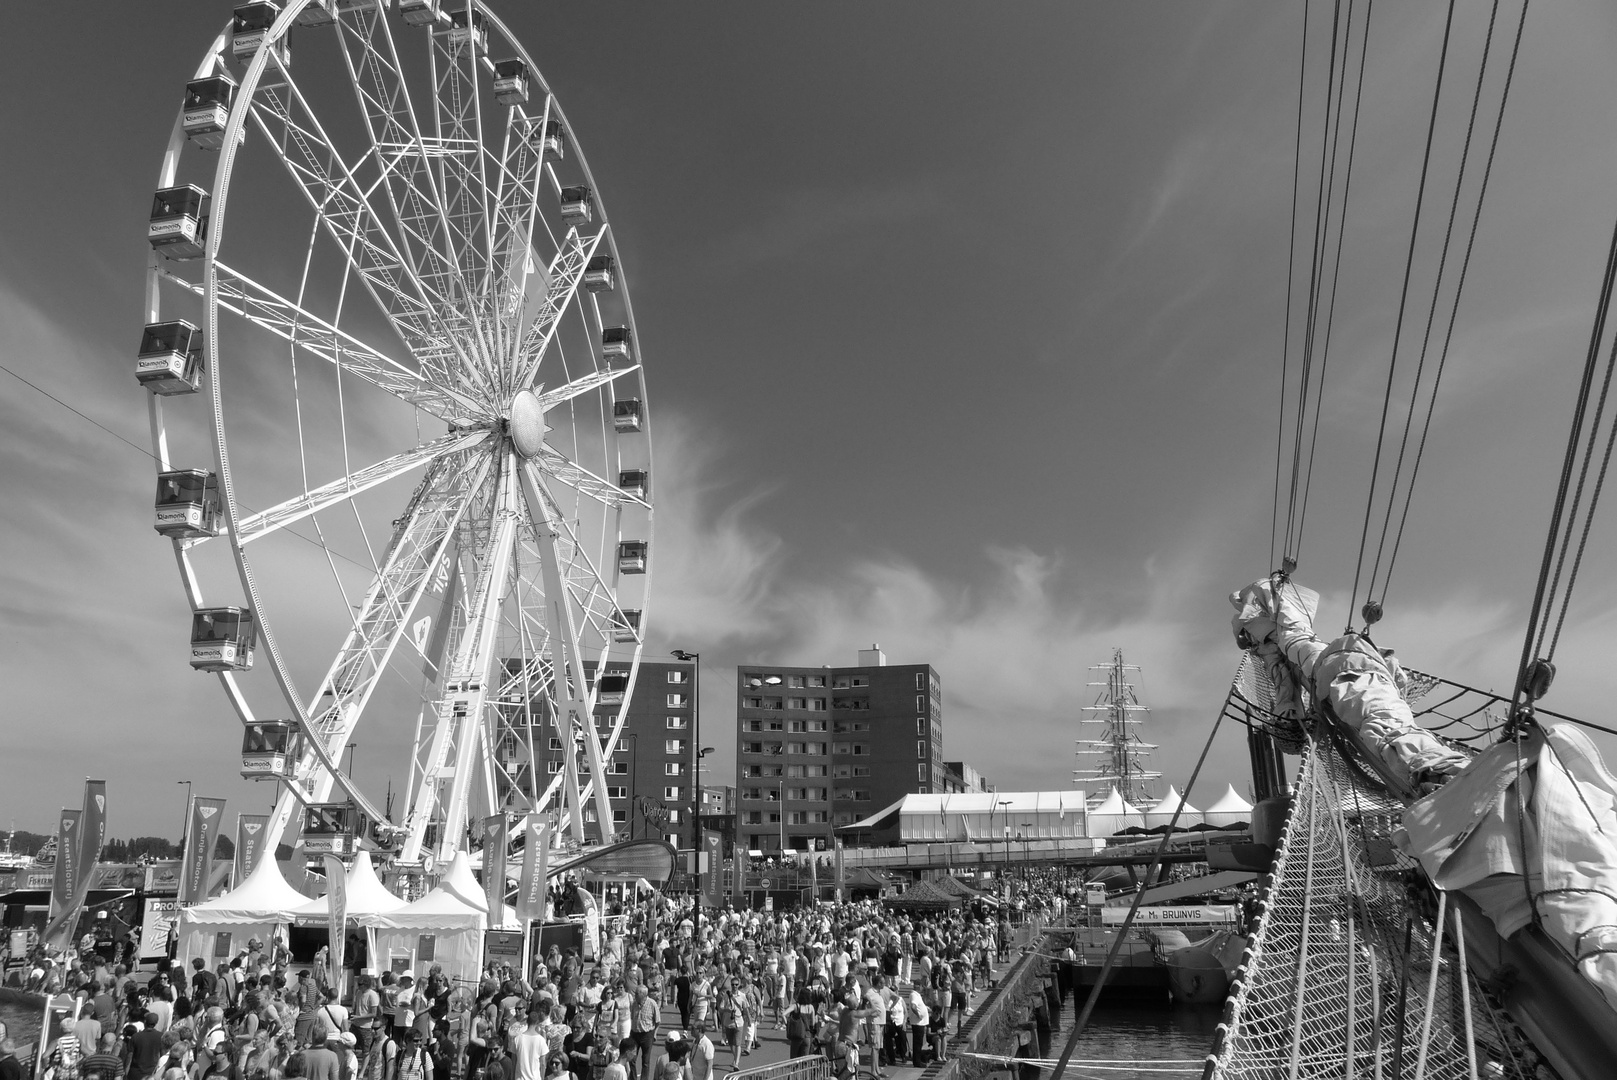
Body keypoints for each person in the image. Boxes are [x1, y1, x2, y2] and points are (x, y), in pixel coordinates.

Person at [511, 1010, 549, 1080]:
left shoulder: (517, 1039)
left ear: (527, 1022)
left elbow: (513, 1062)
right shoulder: (541, 1040)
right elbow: (543, 1064)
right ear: (538, 1023)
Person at [128, 1013, 166, 1080]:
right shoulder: (161, 1036)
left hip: (135, 1073)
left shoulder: (136, 1036)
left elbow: (130, 1055)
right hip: (151, 1073)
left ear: (145, 1021)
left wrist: (126, 1069)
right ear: (156, 1023)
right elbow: (162, 1055)